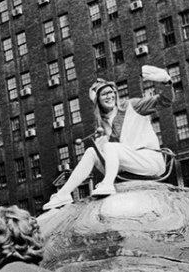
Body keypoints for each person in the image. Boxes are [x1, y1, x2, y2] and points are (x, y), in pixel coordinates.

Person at [44, 65, 175, 210]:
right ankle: (64, 193)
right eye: (104, 94)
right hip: (128, 166)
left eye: (111, 92)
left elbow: (166, 100)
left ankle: (108, 184)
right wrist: (103, 146)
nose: (110, 96)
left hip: (150, 161)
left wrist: (166, 81)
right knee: (91, 152)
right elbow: (113, 153)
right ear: (97, 101)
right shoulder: (102, 122)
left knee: (109, 147)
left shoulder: (133, 106)